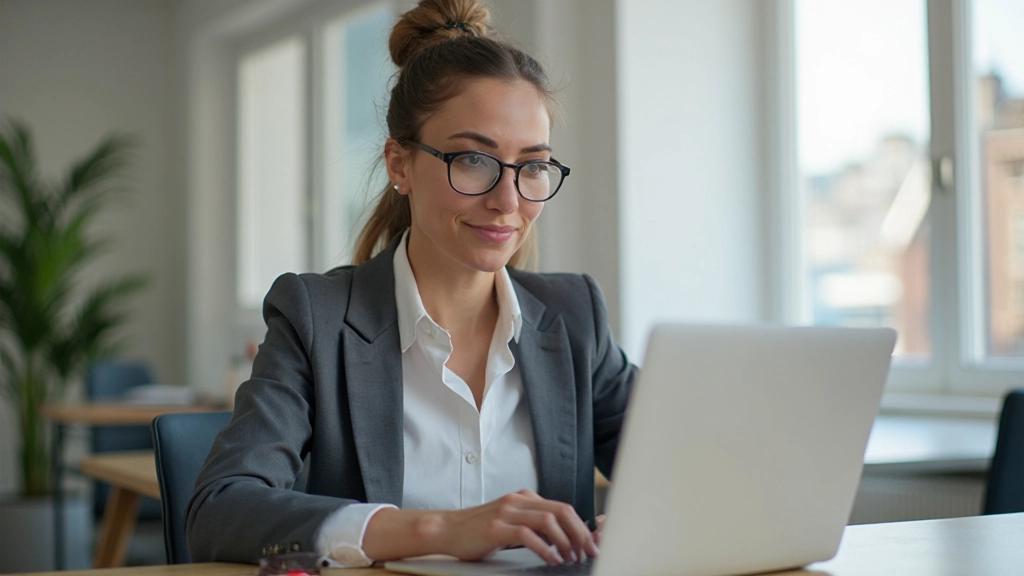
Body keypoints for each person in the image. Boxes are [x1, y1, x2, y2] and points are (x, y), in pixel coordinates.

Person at [186, 0, 636, 568]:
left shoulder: (574, 317)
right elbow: (220, 509)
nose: (508, 201)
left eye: (533, 166)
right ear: (400, 165)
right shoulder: (317, 318)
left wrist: (653, 518)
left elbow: (690, 464)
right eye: (473, 160)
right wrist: (438, 528)